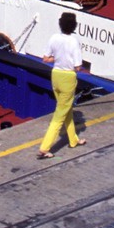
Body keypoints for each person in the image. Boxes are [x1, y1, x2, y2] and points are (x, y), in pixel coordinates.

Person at [38, 11, 88, 158]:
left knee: (66, 109)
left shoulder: (54, 38)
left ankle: (73, 140)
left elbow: (46, 58)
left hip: (56, 75)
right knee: (59, 114)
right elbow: (78, 66)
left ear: (60, 24)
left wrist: (58, 59)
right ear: (74, 26)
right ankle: (45, 147)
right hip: (68, 78)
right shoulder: (74, 41)